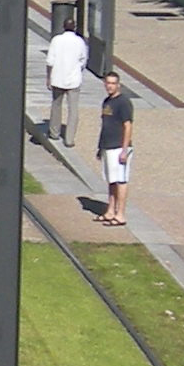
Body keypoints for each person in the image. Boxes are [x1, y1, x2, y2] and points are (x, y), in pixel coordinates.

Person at [95, 70, 136, 227]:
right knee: (111, 180)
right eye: (108, 83)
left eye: (113, 83)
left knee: (120, 180)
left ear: (118, 85)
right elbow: (105, 126)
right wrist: (100, 147)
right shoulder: (107, 102)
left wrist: (124, 150)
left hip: (119, 147)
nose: (110, 86)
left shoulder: (123, 102)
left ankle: (120, 214)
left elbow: (128, 125)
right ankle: (110, 210)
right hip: (107, 146)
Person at [43, 16, 89, 146]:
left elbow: (50, 61)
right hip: (74, 79)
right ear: (74, 27)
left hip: (58, 77)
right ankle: (69, 139)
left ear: (63, 27)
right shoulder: (80, 41)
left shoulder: (56, 40)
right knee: (73, 109)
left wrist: (48, 77)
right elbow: (83, 60)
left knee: (56, 106)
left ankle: (54, 133)